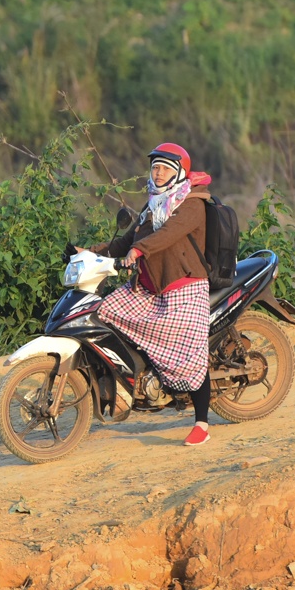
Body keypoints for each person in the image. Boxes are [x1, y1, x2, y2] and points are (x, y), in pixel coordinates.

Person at [98, 142, 216, 446]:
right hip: (151, 287)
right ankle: (131, 381)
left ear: (179, 172)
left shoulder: (193, 202)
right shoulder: (152, 204)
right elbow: (124, 243)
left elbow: (169, 234)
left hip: (185, 285)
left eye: (166, 167)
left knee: (190, 354)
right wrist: (87, 254)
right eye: (155, 166)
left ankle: (201, 422)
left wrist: (140, 249)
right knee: (105, 310)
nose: (159, 171)